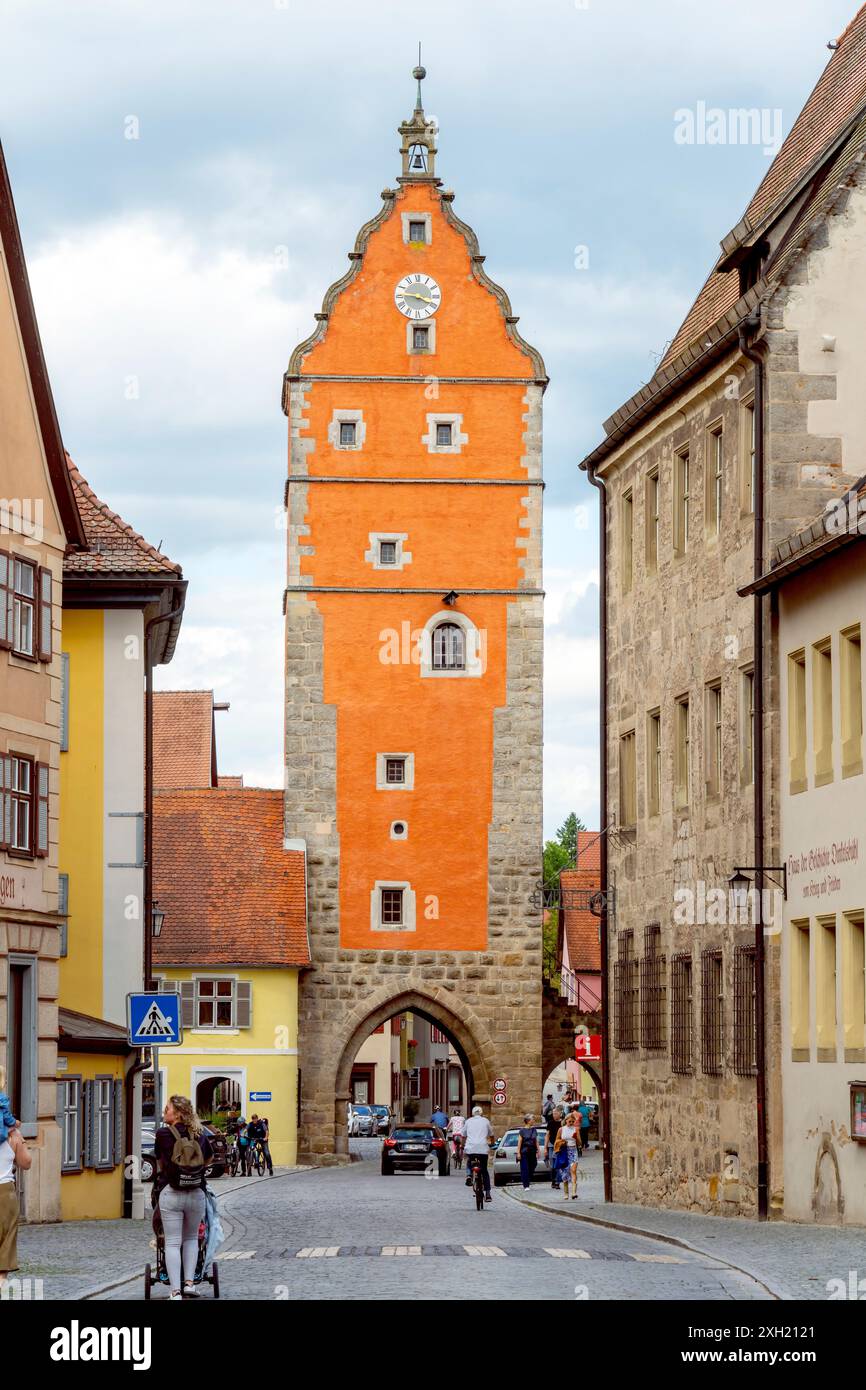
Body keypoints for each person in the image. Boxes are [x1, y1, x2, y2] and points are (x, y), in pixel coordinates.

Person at [154, 1094, 213, 1300]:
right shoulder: (198, 1133)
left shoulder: (162, 1134)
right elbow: (208, 1158)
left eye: (167, 1109)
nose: (164, 1112)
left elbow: (159, 1161)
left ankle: (175, 1291)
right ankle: (189, 1284)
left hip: (171, 1192)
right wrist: (193, 1172)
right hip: (196, 1192)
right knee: (191, 1239)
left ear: (178, 1113)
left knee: (171, 1242)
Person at [0, 1120, 30, 1290]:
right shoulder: (13, 1135)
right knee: (5, 1247)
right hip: (4, 1194)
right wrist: (20, 1140)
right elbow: (26, 1163)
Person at [463, 1105, 493, 1202]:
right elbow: (491, 1134)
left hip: (471, 1147)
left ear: (472, 1113)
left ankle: (469, 1175)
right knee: (484, 1170)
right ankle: (488, 1194)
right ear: (481, 1113)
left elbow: (463, 1135)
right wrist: (492, 1143)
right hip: (482, 1148)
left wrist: (463, 1145)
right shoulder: (486, 1121)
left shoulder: (468, 1121)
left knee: (469, 1162)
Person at [555, 1112, 581, 1201]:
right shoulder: (561, 1129)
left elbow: (580, 1143)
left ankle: (574, 1193)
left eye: (573, 1122)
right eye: (570, 1121)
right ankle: (566, 1193)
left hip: (573, 1151)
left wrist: (576, 1137)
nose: (571, 1123)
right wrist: (562, 1142)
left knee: (573, 1170)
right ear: (566, 1121)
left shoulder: (576, 1129)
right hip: (564, 1152)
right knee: (565, 1172)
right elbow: (557, 1140)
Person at [516, 1113, 539, 1191]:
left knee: (533, 1165)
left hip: (532, 1151)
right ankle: (526, 1185)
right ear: (528, 1121)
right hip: (524, 1152)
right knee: (524, 1168)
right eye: (533, 1119)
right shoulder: (522, 1131)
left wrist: (538, 1151)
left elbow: (536, 1141)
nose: (534, 1120)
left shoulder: (534, 1130)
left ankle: (527, 1179)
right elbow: (519, 1142)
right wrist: (518, 1152)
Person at [543, 1105, 563, 1188]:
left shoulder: (562, 1123)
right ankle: (553, 1181)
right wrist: (545, 1148)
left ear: (560, 1114)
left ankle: (558, 1181)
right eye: (553, 1113)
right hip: (551, 1145)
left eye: (556, 1113)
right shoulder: (550, 1123)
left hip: (560, 1145)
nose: (554, 1115)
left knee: (558, 1164)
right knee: (552, 1165)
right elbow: (547, 1135)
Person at [0, 1065, 17, 1144]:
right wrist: (15, 1122)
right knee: (15, 1131)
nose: (6, 1081)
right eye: (5, 1078)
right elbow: (7, 1117)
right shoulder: (2, 1097)